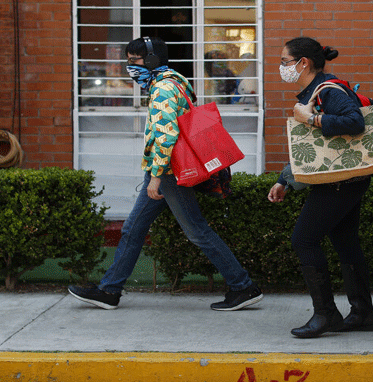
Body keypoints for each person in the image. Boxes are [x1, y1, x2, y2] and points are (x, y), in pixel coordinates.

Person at [68, 37, 263, 311]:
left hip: (169, 172)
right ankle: (109, 290)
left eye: (134, 61)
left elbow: (166, 135)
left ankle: (243, 286)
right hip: (163, 169)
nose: (129, 67)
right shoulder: (175, 82)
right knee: (133, 229)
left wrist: (157, 176)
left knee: (196, 231)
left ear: (150, 61)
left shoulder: (162, 88)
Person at [267, 37, 373, 338]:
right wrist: (285, 179)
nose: (281, 67)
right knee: (346, 243)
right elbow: (320, 149)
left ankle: (326, 314)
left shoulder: (329, 90)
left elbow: (355, 123)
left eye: (284, 61)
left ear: (303, 63)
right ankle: (363, 313)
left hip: (340, 182)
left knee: (303, 240)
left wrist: (312, 117)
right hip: (344, 179)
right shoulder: (317, 90)